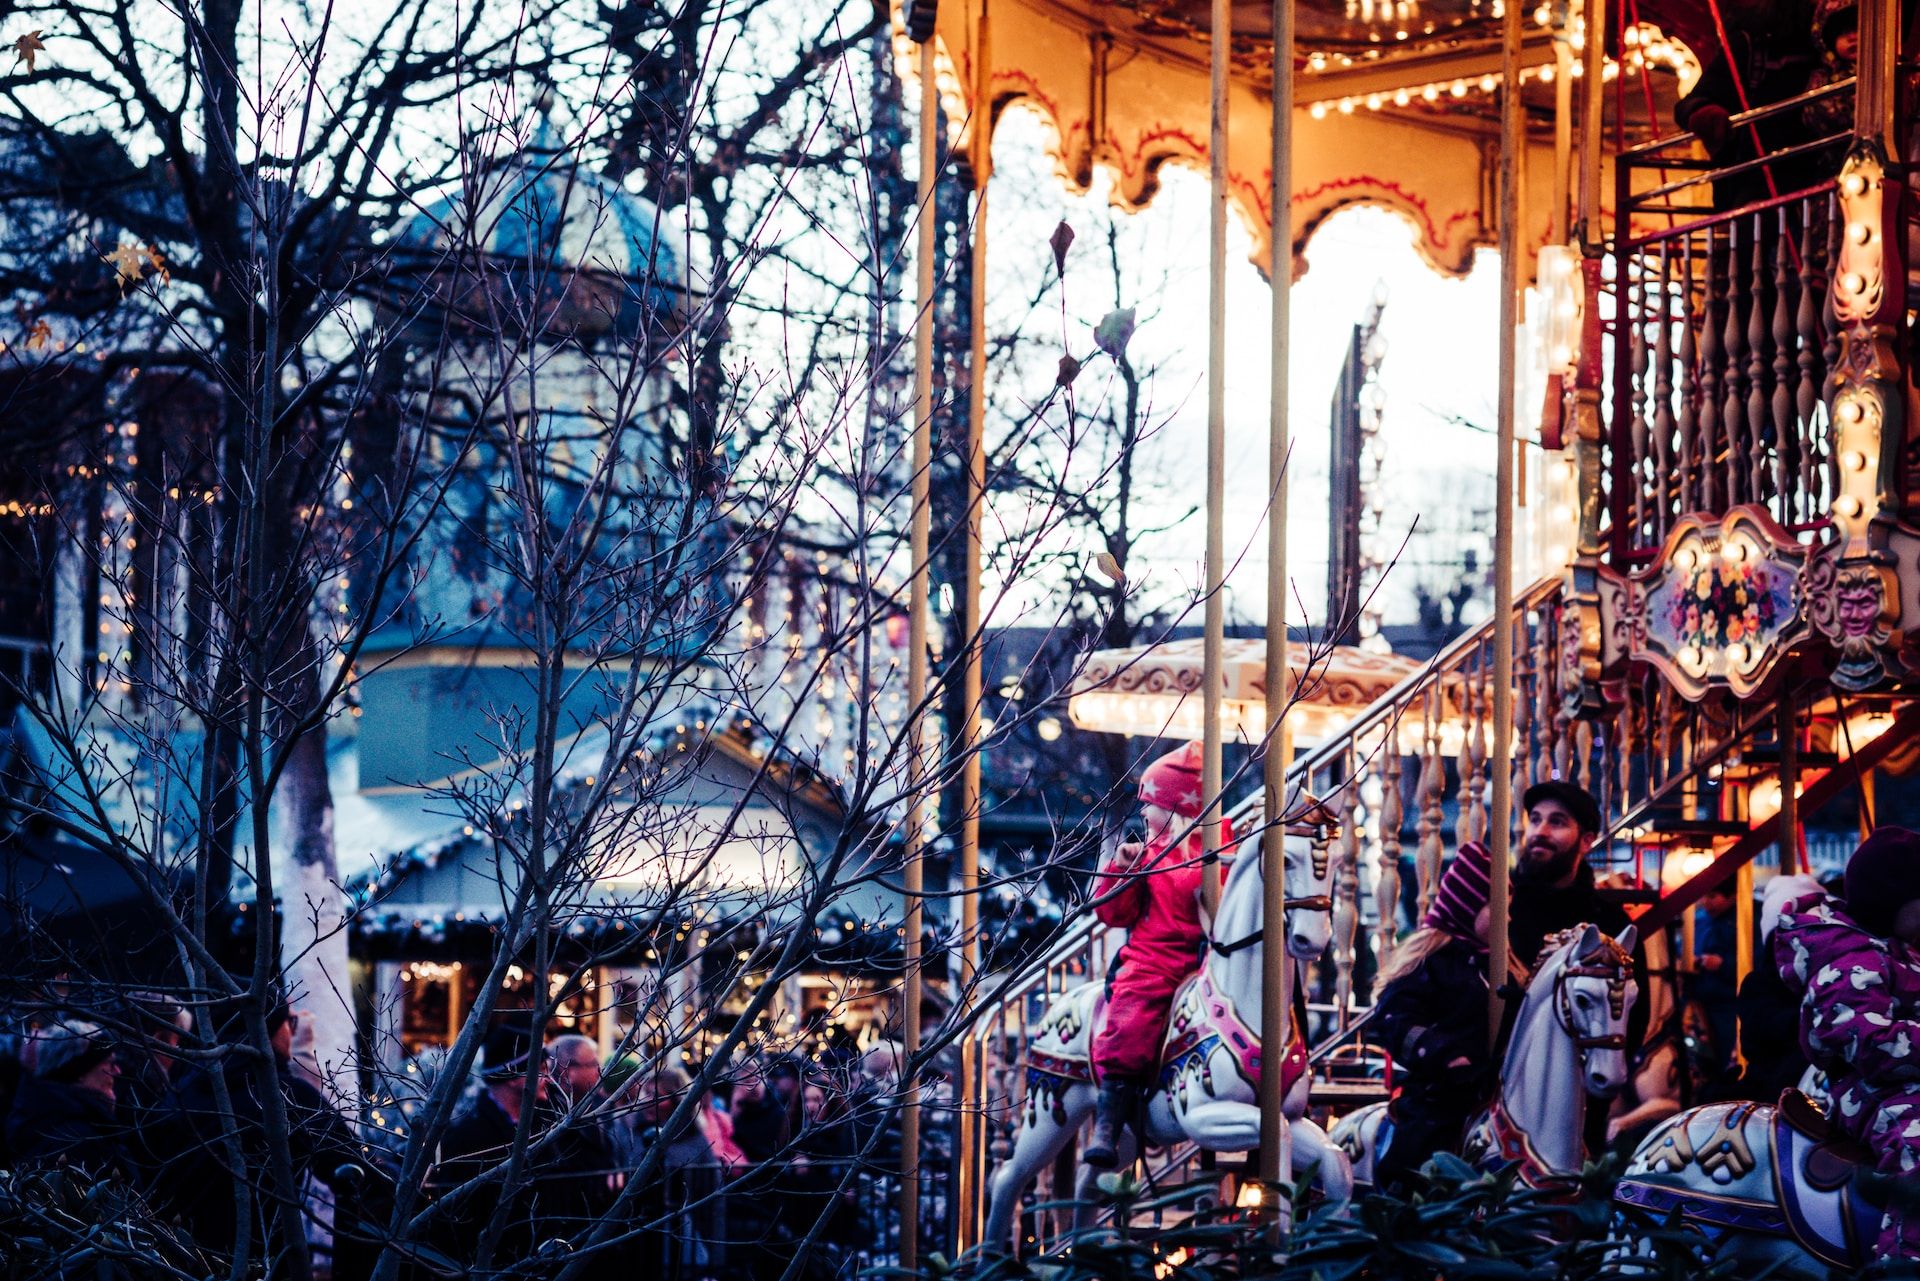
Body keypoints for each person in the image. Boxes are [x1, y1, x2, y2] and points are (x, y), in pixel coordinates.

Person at [1771, 827, 1920, 1258]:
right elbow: (1868, 1043)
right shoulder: (1846, 955)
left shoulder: (1898, 948)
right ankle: (1903, 1261)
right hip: (1869, 1090)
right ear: (1895, 901)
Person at [1085, 742, 1221, 1168]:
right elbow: (1112, 913)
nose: (1143, 813)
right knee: (1131, 1019)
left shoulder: (1220, 845)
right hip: (1154, 961)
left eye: (1150, 804)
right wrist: (1121, 870)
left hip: (1208, 959)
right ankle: (1110, 1118)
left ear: (1174, 805)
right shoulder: (1145, 853)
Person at [1369, 843, 1498, 1188]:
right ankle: (1402, 1209)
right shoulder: (1433, 961)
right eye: (1497, 908)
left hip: (1495, 1088)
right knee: (1426, 1144)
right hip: (1444, 1088)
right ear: (1468, 906)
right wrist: (1444, 1054)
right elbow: (1393, 1018)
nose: (1508, 917)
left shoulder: (1499, 966)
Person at [1672, 0, 1820, 208]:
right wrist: (1705, 114)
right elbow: (1692, 102)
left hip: (1808, 172)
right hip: (1756, 178)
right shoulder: (1751, 46)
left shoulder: (1823, 49)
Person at [6, 1019, 124, 1173]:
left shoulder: (49, 1120)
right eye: (109, 1063)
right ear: (79, 1072)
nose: (117, 1071)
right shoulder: (76, 1140)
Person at [1691, 884, 1743, 1079]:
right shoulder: (1701, 921)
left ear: (1732, 896)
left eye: (1712, 896)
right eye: (1704, 896)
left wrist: (1723, 964)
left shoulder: (1746, 919)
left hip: (1728, 1003)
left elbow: (1757, 959)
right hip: (1700, 1000)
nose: (1706, 902)